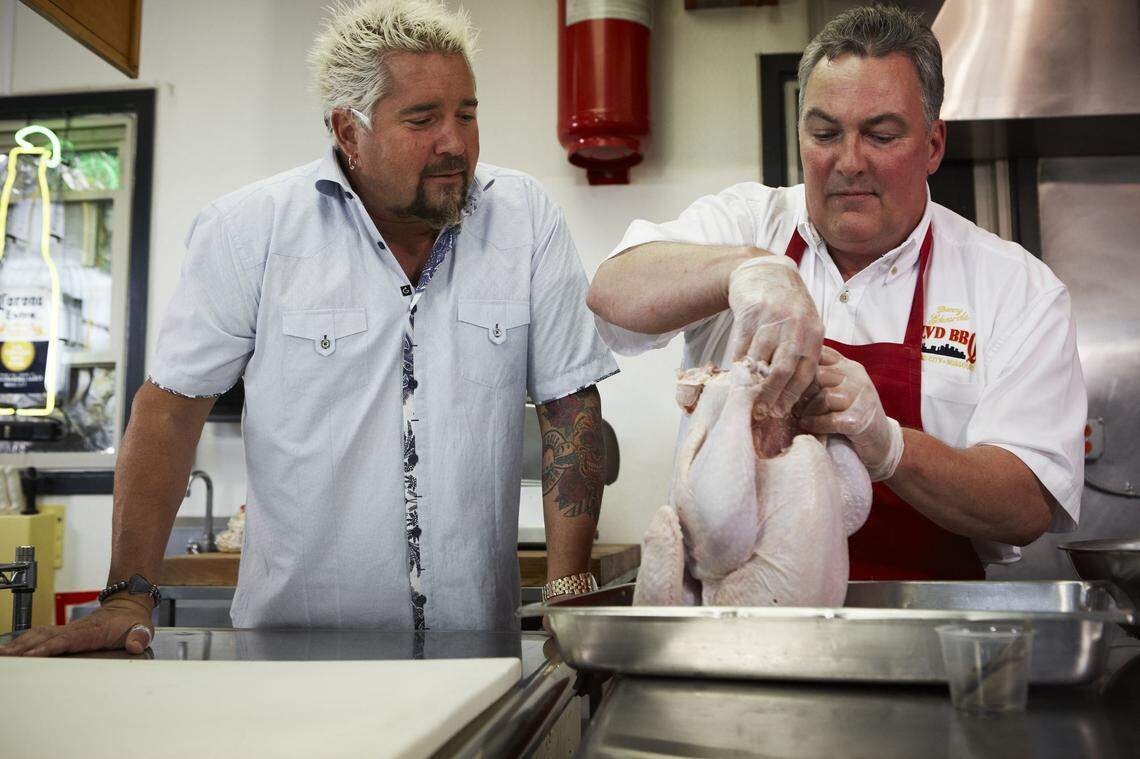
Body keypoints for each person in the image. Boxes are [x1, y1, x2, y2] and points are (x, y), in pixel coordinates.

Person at [2, 0, 617, 657]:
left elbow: (568, 402)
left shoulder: (525, 219)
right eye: (423, 118)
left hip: (473, 652)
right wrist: (128, 591)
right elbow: (169, 412)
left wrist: (568, 586)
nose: (455, 142)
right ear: (348, 131)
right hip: (292, 656)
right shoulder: (250, 230)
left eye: (466, 113)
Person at [587, 6, 1085, 580]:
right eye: (825, 134)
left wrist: (890, 448)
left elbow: (1024, 505)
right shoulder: (752, 223)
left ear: (932, 145)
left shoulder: (1015, 288)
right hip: (745, 630)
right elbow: (611, 291)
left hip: (924, 632)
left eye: (880, 134)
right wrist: (746, 270)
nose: (848, 162)